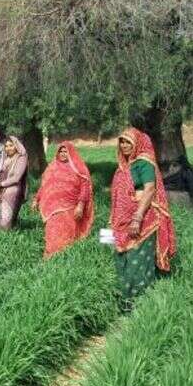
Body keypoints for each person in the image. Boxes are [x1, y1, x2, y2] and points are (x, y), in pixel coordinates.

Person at [109, 128, 177, 307]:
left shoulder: (143, 163)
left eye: (128, 142)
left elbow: (149, 189)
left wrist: (137, 217)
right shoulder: (124, 166)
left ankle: (141, 306)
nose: (124, 145)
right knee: (120, 258)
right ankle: (123, 301)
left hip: (142, 220)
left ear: (137, 143)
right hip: (121, 221)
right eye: (121, 141)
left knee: (138, 263)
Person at [30, 142, 94, 259]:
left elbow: (85, 187)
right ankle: (50, 255)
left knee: (66, 234)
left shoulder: (78, 168)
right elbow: (44, 186)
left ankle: (64, 258)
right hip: (52, 208)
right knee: (52, 231)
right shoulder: (52, 167)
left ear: (70, 153)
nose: (63, 154)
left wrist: (80, 205)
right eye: (61, 151)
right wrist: (36, 199)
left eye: (66, 151)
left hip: (69, 208)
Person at [0, 136, 29, 231]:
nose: (8, 148)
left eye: (11, 145)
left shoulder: (21, 158)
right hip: (1, 191)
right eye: (6, 146)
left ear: (16, 146)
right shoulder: (4, 158)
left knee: (7, 218)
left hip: (13, 191)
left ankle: (6, 238)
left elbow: (16, 178)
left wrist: (0, 184)